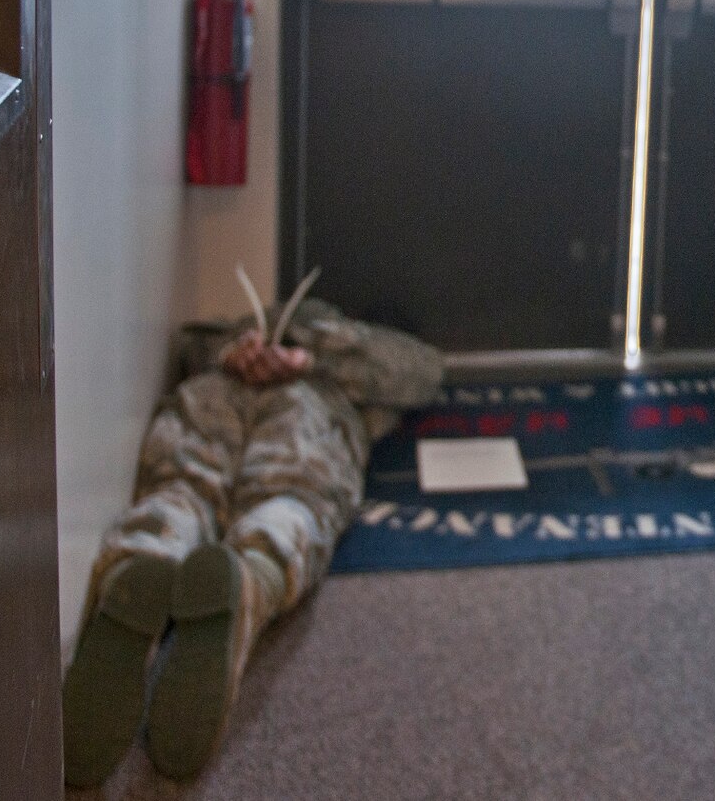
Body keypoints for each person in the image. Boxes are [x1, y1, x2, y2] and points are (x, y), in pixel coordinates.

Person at [61, 275, 441, 787]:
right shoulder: (337, 346)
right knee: (289, 505)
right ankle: (248, 584)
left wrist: (298, 353)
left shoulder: (340, 339)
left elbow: (421, 369)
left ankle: (138, 566)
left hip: (225, 400)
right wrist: (245, 353)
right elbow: (424, 373)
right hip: (304, 412)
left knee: (177, 495)